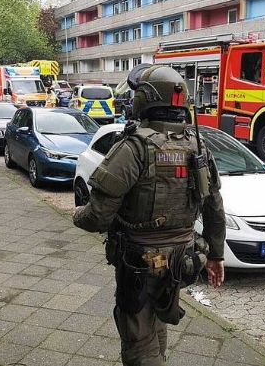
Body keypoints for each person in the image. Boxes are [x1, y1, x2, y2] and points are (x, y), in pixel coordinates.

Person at [73, 64, 226, 366]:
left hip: (139, 263)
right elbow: (214, 206)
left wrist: (77, 215)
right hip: (182, 259)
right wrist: (216, 255)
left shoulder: (132, 147)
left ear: (146, 99)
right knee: (158, 323)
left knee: (138, 342)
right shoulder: (197, 146)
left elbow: (98, 217)